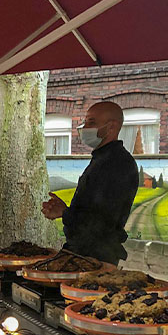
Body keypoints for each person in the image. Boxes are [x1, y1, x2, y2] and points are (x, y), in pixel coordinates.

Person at [41, 101, 139, 265]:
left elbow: (101, 222)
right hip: (81, 252)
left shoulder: (117, 164)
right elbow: (89, 211)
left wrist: (65, 213)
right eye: (85, 122)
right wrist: (64, 210)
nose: (85, 127)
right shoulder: (102, 159)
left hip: (96, 257)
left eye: (91, 122)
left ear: (111, 127)